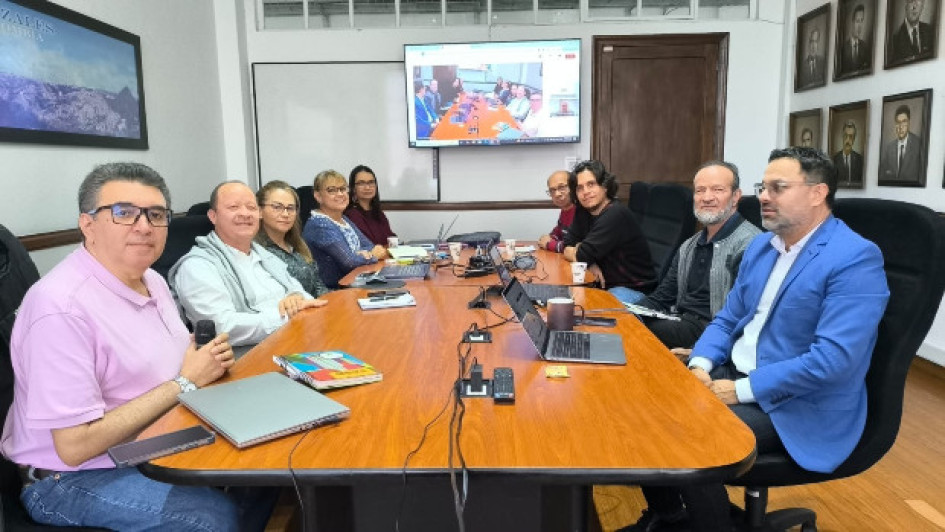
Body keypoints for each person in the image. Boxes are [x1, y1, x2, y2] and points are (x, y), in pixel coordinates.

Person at [619, 147, 889, 532]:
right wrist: (700, 364)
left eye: (778, 187)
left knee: (686, 435)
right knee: (635, 404)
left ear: (817, 193)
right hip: (736, 371)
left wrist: (740, 391)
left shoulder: (855, 258)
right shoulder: (763, 246)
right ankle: (672, 516)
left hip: (798, 402)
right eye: (764, 186)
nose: (763, 196)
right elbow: (728, 319)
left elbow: (832, 362)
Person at [0, 163, 273, 530]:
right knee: (209, 518)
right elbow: (74, 446)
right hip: (70, 478)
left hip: (150, 441)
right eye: (124, 212)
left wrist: (204, 362)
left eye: (156, 214)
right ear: (87, 224)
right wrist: (185, 382)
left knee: (272, 463)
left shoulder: (152, 280)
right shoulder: (60, 307)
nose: (144, 226)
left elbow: (172, 368)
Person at [171, 181, 326, 347]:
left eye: (251, 207)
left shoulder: (263, 254)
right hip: (247, 360)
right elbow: (223, 327)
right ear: (213, 216)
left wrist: (296, 297)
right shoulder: (197, 266)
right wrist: (288, 315)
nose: (245, 213)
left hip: (295, 341)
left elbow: (302, 295)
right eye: (233, 207)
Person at [637, 161, 760, 350]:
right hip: (680, 321)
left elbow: (743, 318)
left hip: (713, 333)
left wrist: (700, 353)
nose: (707, 197)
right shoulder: (689, 245)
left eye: (717, 190)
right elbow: (662, 297)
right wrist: (628, 313)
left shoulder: (751, 245)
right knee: (624, 320)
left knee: (635, 334)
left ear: (736, 197)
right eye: (700, 190)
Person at [563, 160, 656, 304]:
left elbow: (581, 254)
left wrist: (584, 256)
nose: (585, 192)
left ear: (605, 186)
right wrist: (589, 262)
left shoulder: (615, 214)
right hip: (604, 284)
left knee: (591, 313)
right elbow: (567, 244)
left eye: (591, 184)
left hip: (633, 290)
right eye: (579, 188)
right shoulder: (583, 210)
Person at [303, 170, 388, 288]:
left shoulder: (343, 219)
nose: (340, 194)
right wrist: (372, 256)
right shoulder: (320, 224)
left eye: (343, 189)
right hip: (334, 290)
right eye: (332, 190)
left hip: (357, 282)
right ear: (318, 196)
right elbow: (349, 262)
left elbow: (369, 245)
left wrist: (361, 254)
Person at [255, 180, 330, 297]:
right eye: (277, 207)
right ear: (259, 211)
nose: (285, 214)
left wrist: (331, 303)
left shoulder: (298, 244)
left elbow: (318, 286)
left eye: (290, 208)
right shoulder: (256, 251)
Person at [345, 164, 397, 246]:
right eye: (361, 183)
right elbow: (369, 244)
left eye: (371, 182)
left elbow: (391, 237)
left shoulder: (378, 213)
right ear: (353, 188)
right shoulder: (352, 215)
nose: (367, 187)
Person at [879, 104, 923, 183]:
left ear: (909, 123)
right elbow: (882, 176)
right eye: (898, 122)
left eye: (904, 122)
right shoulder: (889, 148)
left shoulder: (919, 145)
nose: (900, 126)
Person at [537, 170, 576, 253]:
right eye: (552, 190)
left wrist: (548, 244)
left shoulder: (581, 211)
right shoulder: (565, 209)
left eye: (562, 187)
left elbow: (573, 247)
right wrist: (550, 238)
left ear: (573, 187)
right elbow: (559, 231)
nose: (557, 194)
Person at [832, 120, 864, 186]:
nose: (847, 140)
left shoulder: (859, 159)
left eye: (851, 137)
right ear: (842, 137)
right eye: (845, 136)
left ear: (854, 139)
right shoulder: (834, 159)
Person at [839, 4, 871, 73]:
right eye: (857, 21)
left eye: (861, 21)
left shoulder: (865, 47)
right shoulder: (843, 47)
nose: (860, 26)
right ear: (852, 22)